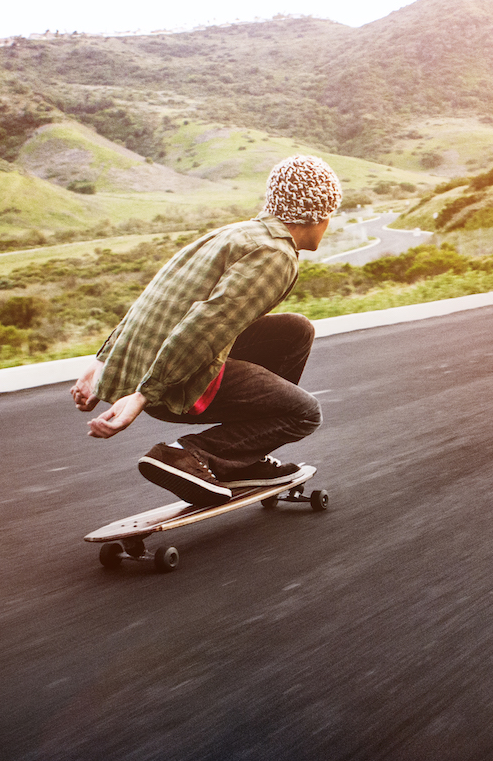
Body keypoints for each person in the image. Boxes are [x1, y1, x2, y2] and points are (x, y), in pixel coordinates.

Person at [70, 155, 341, 507]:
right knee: (303, 413)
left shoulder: (235, 232)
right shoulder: (277, 254)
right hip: (175, 380)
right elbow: (207, 326)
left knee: (295, 331)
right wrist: (142, 395)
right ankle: (192, 456)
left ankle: (242, 457)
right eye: (332, 213)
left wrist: (102, 363)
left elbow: (154, 298)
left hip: (156, 368)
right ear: (317, 214)